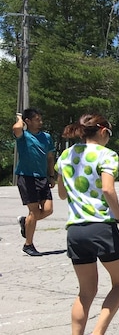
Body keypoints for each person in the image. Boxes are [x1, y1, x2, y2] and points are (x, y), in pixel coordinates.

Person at [56, 114, 119, 335]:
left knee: (85, 292)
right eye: (109, 132)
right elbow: (108, 190)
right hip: (101, 227)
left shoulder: (66, 156)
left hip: (75, 231)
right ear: (102, 131)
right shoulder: (106, 155)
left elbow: (62, 193)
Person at [13, 108, 57, 256]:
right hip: (26, 177)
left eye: (40, 119)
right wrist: (20, 119)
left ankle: (26, 222)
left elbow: (50, 157)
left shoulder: (46, 137)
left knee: (48, 209)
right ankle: (28, 244)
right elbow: (17, 128)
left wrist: (51, 175)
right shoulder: (23, 136)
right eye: (37, 120)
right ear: (28, 121)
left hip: (42, 177)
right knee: (34, 211)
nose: (40, 122)